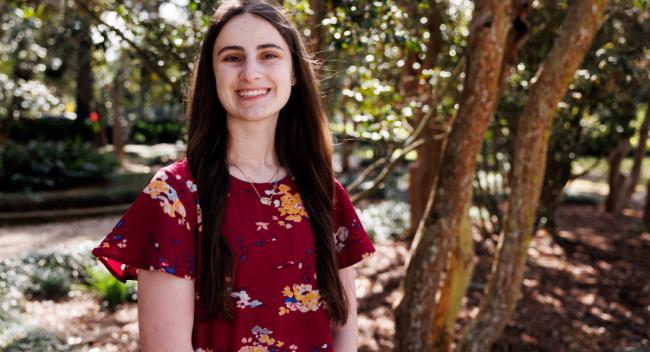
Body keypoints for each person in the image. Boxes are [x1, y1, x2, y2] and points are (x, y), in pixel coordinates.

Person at [91, 0, 376, 351]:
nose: (250, 73)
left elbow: (343, 328)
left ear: (294, 73)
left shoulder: (324, 193)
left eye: (269, 55)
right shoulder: (174, 197)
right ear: (212, 75)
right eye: (232, 58)